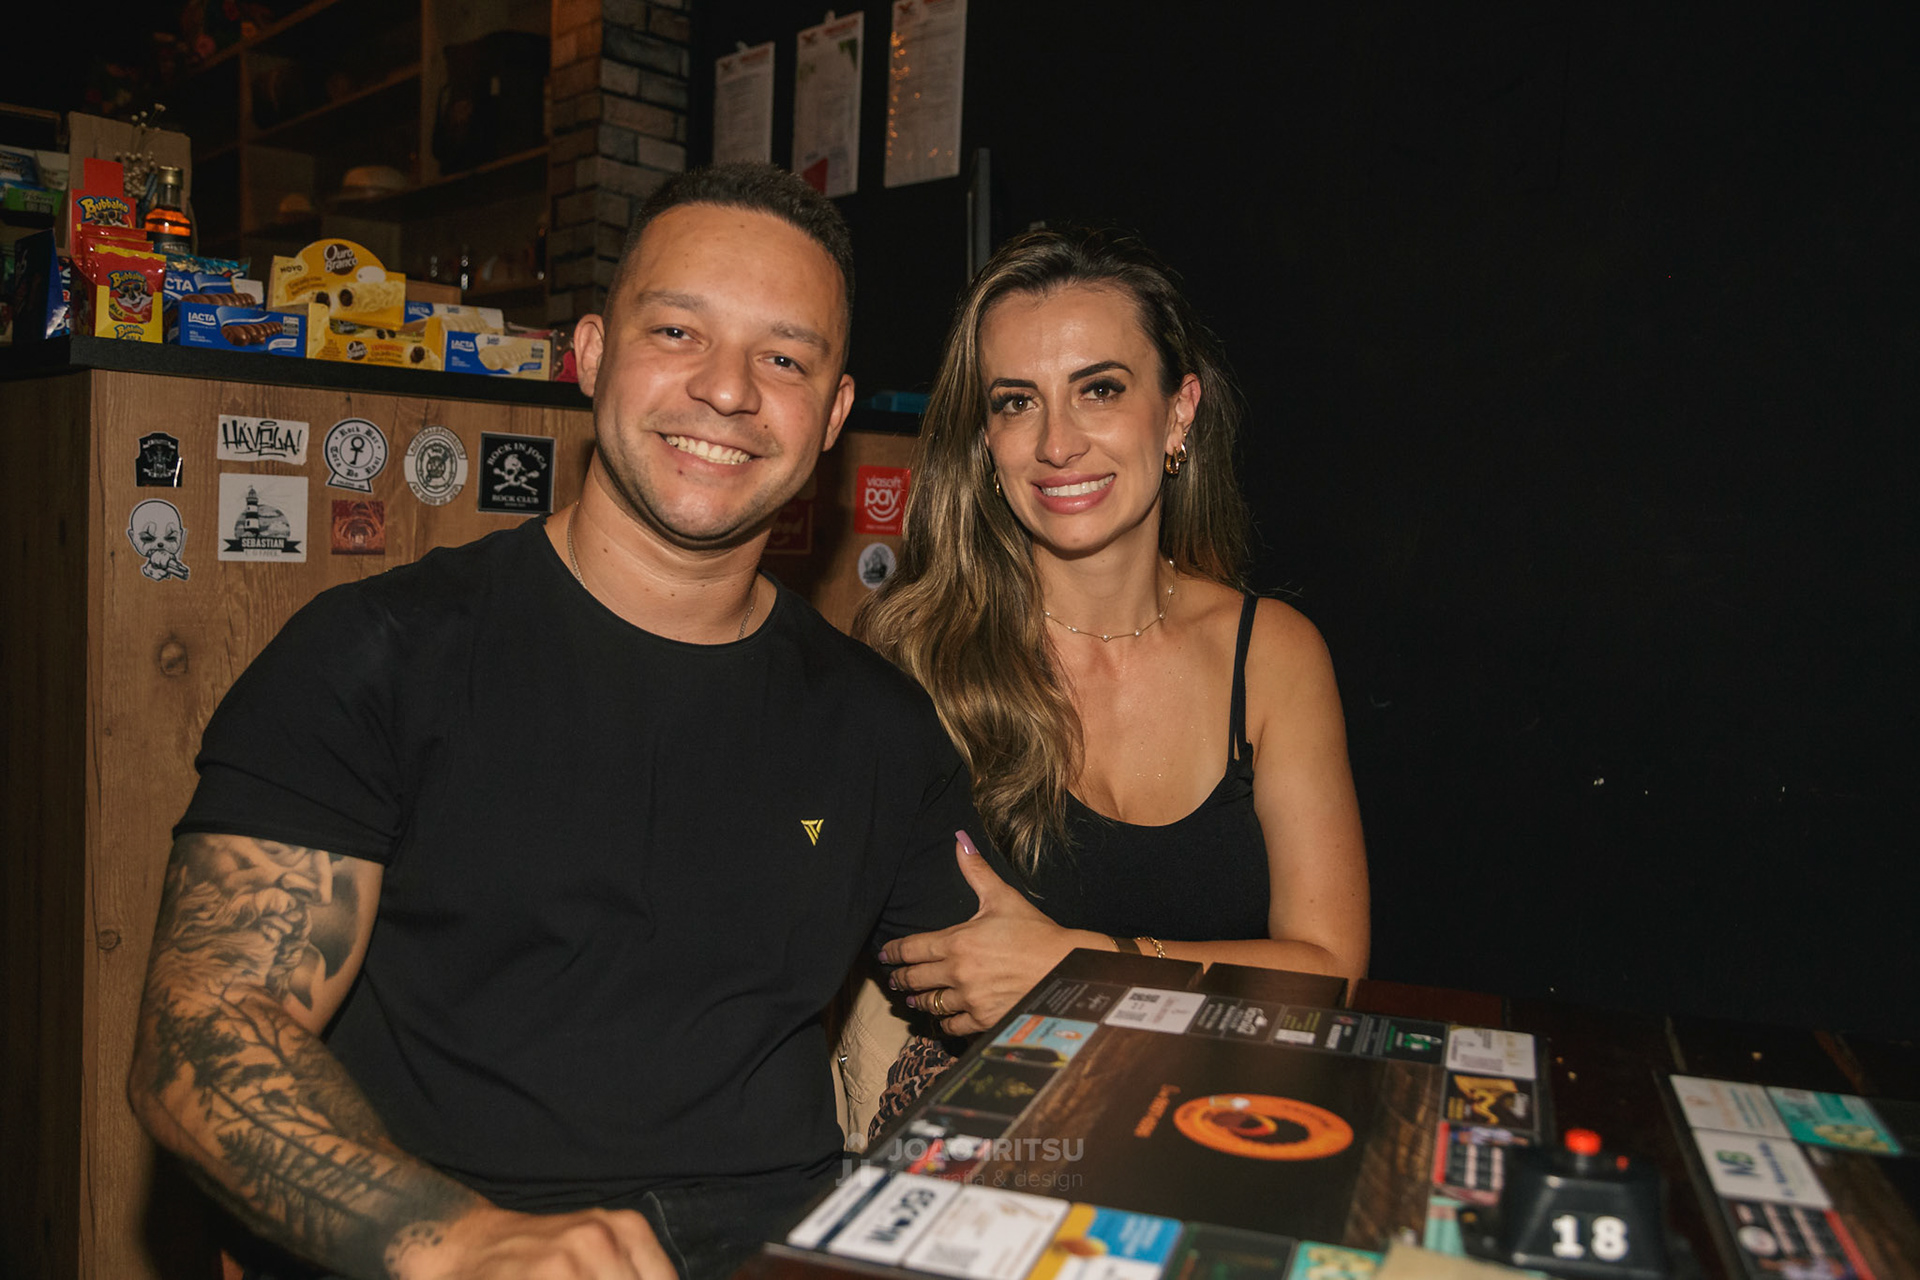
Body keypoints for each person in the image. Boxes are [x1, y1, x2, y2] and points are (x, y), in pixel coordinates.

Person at [127, 164, 993, 1280]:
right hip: (444, 1238)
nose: (727, 389)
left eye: (784, 358)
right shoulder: (379, 654)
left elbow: (1006, 976)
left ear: (832, 415)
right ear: (590, 355)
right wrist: (462, 1241)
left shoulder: (880, 724)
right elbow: (201, 1029)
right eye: (677, 331)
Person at [860, 228, 1370, 1037]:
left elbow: (1332, 967)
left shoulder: (1272, 655)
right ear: (986, 441)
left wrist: (1084, 967)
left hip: (1224, 1097)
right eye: (1016, 402)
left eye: (1099, 390)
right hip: (983, 1101)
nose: (1057, 444)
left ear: (1178, 413)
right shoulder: (914, 657)